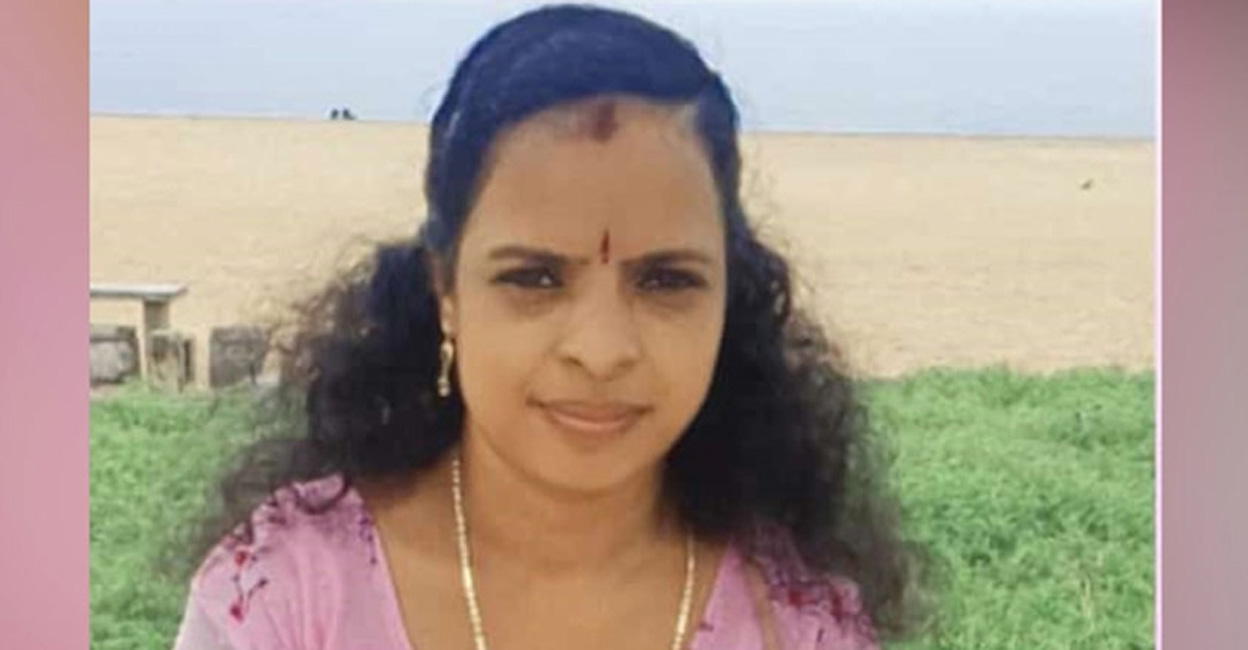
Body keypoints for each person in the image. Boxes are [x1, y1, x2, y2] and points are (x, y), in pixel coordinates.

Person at [171, 5, 928, 649]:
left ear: (729, 298)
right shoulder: (283, 599)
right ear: (446, 291)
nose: (600, 351)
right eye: (534, 278)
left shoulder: (795, 623)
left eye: (666, 280)